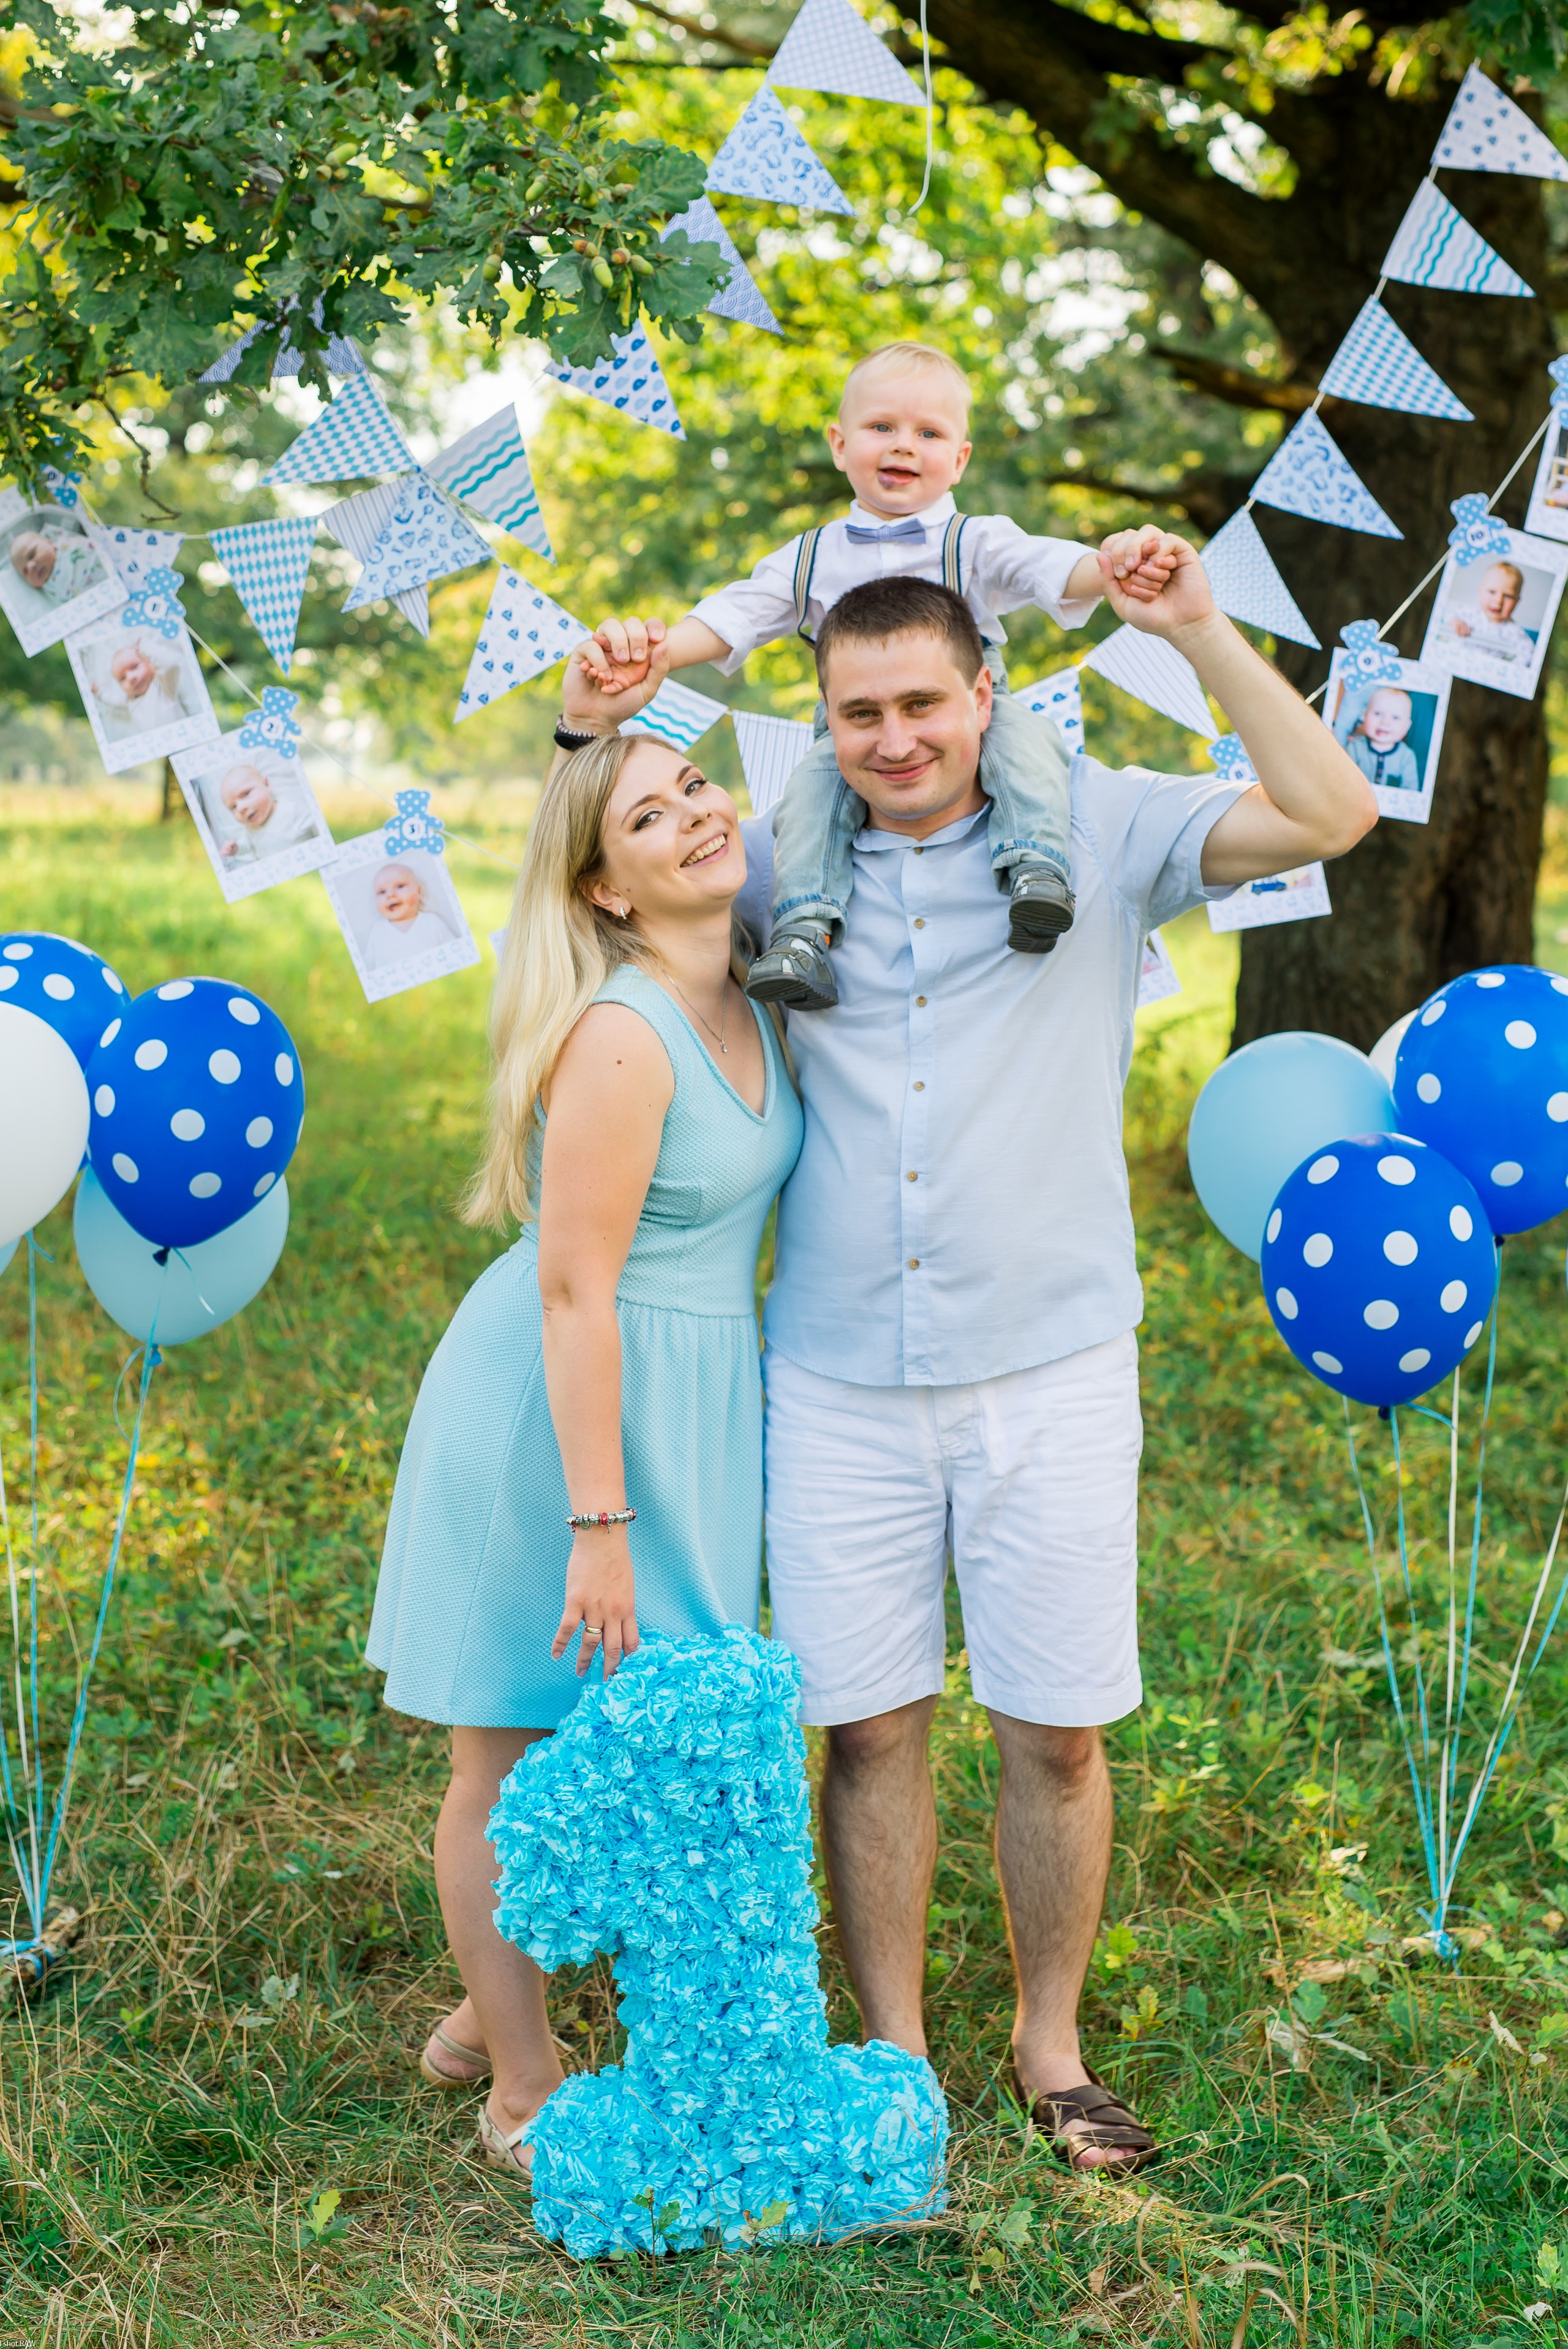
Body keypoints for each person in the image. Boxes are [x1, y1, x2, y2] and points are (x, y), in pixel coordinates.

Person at [567, 545, 1374, 2176]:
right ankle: (894, 2055)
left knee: (1057, 1728)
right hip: (841, 1373)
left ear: (984, 694)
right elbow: (603, 860)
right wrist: (586, 729)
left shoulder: (1101, 821)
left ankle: (1051, 2045)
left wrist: (1199, 627)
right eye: (859, 710)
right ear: (824, 717)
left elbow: (1333, 811)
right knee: (867, 1727)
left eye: (924, 699)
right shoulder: (772, 862)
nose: (895, 735)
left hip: (1054, 1362)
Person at [366, 715, 802, 2181]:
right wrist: (596, 1517)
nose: (689, 817)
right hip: (560, 1405)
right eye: (643, 818)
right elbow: (570, 1288)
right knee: (504, 1743)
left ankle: (477, 2008)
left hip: (689, 1394)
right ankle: (521, 2078)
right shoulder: (623, 1028)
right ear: (605, 888)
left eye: (693, 786)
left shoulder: (749, 981)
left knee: (639, 1732)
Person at [581, 341, 1182, 1010]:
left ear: (959, 460)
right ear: (839, 444)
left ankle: (1036, 871)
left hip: (970, 710)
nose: (903, 445)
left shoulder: (973, 541)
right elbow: (737, 614)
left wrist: (1112, 564)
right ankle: (804, 931)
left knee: (1025, 745)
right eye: (881, 428)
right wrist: (663, 652)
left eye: (928, 433)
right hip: (851, 723)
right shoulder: (810, 557)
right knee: (807, 794)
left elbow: (1045, 567)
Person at [209, 760, 323, 861]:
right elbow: (250, 844)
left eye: (246, 794)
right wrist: (238, 848)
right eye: (233, 807)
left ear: (267, 784)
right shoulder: (251, 828)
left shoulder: (292, 811)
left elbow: (317, 824)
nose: (240, 808)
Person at [363, 861, 458, 964]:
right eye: (382, 892)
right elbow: (369, 964)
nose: (390, 895)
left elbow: (456, 951)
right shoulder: (377, 930)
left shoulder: (432, 922)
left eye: (400, 886)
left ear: (419, 892)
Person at [91, 631, 184, 735]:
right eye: (122, 679)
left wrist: (144, 646)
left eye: (135, 667)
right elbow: (114, 698)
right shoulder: (130, 700)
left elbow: (170, 665)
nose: (130, 678)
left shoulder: (163, 687)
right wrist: (99, 693)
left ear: (149, 662)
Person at [1444, 559, 1533, 663]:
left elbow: (1529, 652)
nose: (1498, 600)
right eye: (1492, 592)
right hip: (1457, 660)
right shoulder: (1469, 614)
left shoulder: (1514, 632)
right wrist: (1455, 622)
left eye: (1508, 596)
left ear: (1517, 601)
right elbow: (1446, 611)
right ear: (1480, 591)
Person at [1335, 685, 1422, 792]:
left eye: (1395, 718)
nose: (1385, 722)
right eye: (1378, 714)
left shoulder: (1407, 756)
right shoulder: (1355, 748)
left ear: (1407, 726)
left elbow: (1411, 791)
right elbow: (1343, 779)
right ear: (1365, 716)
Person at [9, 519, 104, 606]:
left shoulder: (66, 546)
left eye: (32, 554)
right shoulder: (49, 593)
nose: (31, 567)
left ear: (49, 543)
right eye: (25, 571)